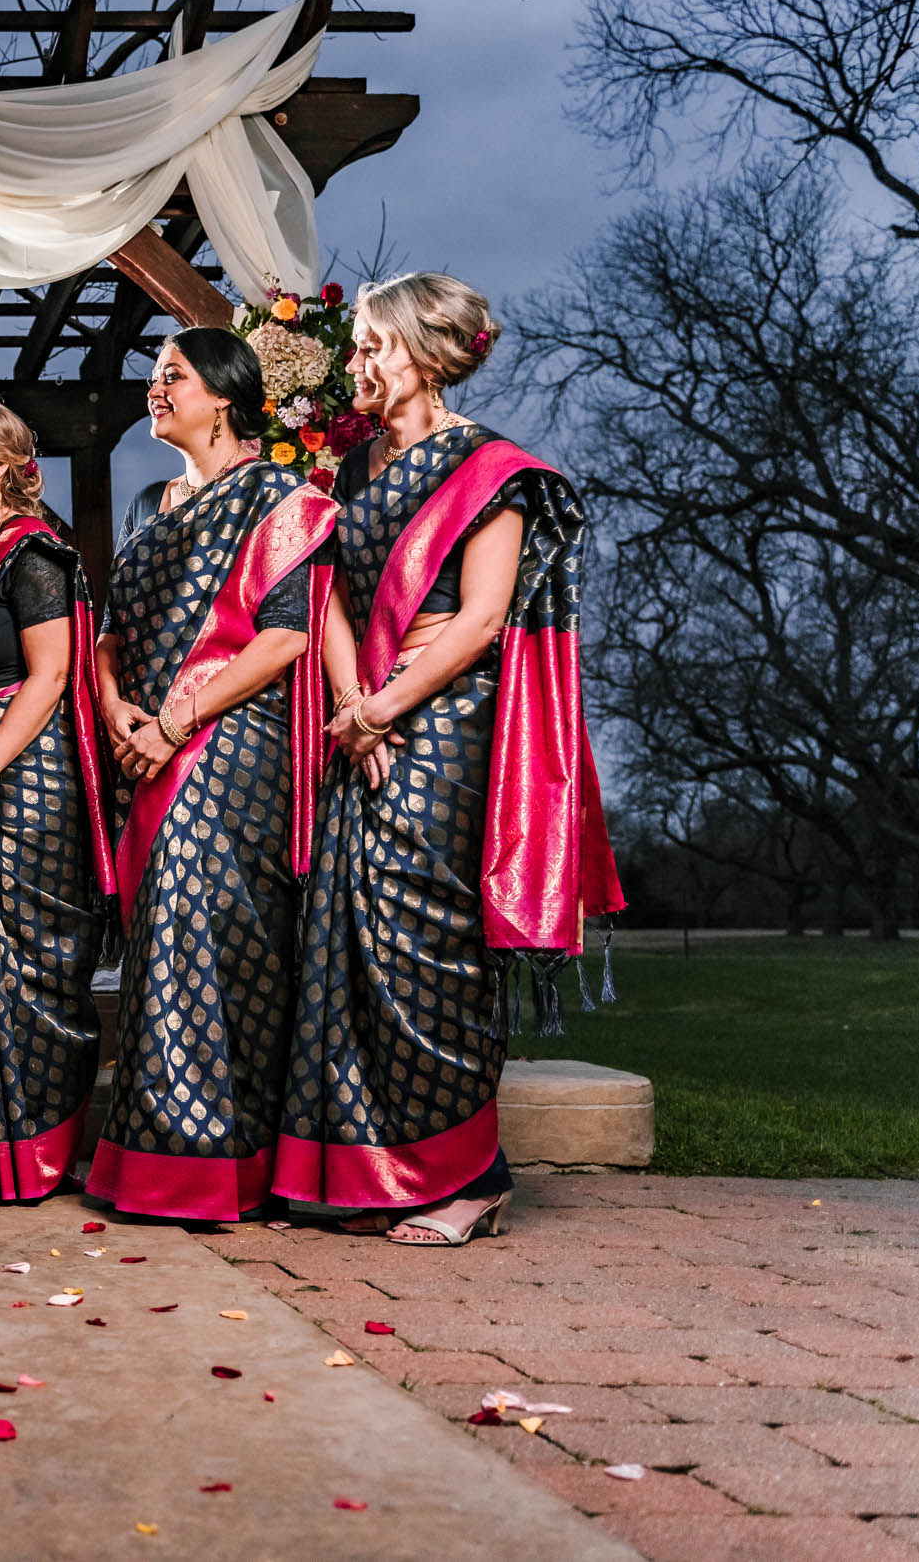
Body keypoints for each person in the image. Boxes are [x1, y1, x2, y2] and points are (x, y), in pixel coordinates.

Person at [278, 272, 622, 1245]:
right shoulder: (348, 474)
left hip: (445, 715)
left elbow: (479, 618)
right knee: (351, 934)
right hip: (364, 719)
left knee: (427, 935)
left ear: (423, 352)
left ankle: (470, 1175)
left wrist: (385, 705)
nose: (354, 368)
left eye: (369, 348)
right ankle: (376, 1167)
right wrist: (352, 706)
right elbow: (331, 600)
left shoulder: (491, 471)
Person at [85, 328, 337, 1223]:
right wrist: (117, 709)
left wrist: (182, 718)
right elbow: (110, 633)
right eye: (154, 377)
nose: (156, 390)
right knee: (160, 935)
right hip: (142, 743)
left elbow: (286, 633)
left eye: (173, 376)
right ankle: (164, 1162)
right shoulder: (149, 505)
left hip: (232, 739)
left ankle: (225, 1159)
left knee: (220, 933)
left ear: (224, 394)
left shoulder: (279, 494)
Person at [0, 398, 112, 1203]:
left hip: (23, 780)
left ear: (1, 466)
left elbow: (50, 675)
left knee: (33, 965)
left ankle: (37, 1151)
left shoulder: (32, 555)